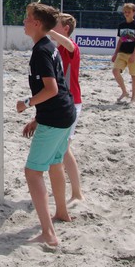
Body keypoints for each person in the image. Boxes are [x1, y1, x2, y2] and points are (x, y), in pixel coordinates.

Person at [16, 2, 76, 246]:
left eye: (27, 18)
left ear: (37, 23)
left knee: (32, 173)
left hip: (56, 117)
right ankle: (62, 212)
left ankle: (48, 234)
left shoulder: (41, 51)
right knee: (55, 163)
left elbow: (51, 89)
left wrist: (27, 103)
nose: (24, 21)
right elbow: (58, 87)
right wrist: (37, 118)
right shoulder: (49, 45)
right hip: (65, 113)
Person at [48, 13, 84, 203]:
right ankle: (65, 188)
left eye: (56, 25)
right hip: (62, 102)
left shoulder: (71, 47)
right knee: (61, 149)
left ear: (66, 29)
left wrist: (48, 30)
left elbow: (70, 45)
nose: (52, 28)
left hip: (72, 103)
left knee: (64, 149)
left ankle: (77, 192)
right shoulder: (57, 49)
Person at [111, 3, 135, 104]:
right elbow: (120, 40)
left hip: (134, 54)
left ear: (134, 12)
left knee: (134, 76)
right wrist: (115, 53)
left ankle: (133, 98)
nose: (127, 14)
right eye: (125, 12)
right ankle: (124, 91)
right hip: (122, 53)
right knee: (115, 71)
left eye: (129, 12)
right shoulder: (121, 25)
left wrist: (133, 55)